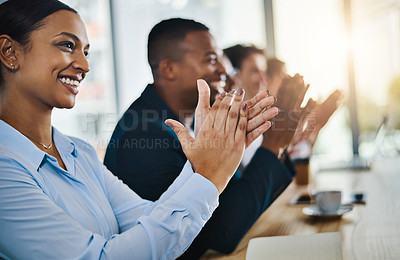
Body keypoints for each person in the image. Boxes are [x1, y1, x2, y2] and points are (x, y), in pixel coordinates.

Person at [0, 1, 264, 259]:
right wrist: (208, 176)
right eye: (67, 45)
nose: (85, 65)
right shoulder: (4, 170)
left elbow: (148, 218)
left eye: (87, 52)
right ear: (9, 52)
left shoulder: (78, 151)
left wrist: (205, 164)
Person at [104, 18, 297, 259]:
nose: (224, 70)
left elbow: (232, 198)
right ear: (169, 69)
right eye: (211, 59)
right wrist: (272, 145)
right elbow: (221, 233)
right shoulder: (145, 136)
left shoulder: (191, 121)